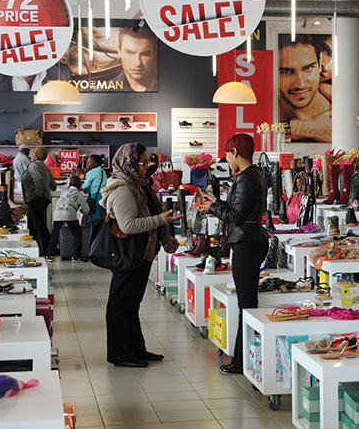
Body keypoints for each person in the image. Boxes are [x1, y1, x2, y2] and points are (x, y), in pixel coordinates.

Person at [100, 143, 181, 368]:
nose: (146, 166)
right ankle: (121, 354)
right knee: (120, 306)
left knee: (131, 304)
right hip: (129, 255)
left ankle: (136, 349)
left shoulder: (138, 185)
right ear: (129, 163)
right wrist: (161, 220)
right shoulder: (124, 189)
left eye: (147, 162)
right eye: (142, 162)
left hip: (140, 253)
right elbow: (128, 225)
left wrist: (164, 237)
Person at [198, 134, 268, 375]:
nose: (227, 160)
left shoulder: (247, 178)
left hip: (247, 242)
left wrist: (212, 208)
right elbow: (239, 209)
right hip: (249, 240)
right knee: (246, 302)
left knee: (246, 303)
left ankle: (242, 361)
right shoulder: (251, 175)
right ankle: (245, 358)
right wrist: (217, 201)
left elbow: (236, 216)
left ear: (235, 152)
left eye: (227, 155)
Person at [278, 34, 332, 143]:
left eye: (308, 68)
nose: (300, 84)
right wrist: (311, 128)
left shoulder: (339, 104)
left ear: (320, 65)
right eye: (286, 72)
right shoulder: (269, 111)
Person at [21, 147, 57, 255]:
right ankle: (35, 250)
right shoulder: (45, 167)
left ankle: (49, 250)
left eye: (33, 154)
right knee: (33, 225)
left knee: (39, 225)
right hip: (44, 198)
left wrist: (37, 196)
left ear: (37, 156)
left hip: (35, 199)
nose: (31, 156)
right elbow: (53, 186)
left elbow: (37, 180)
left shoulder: (33, 165)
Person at [46, 176, 89, 262]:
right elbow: (86, 210)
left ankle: (49, 255)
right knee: (77, 234)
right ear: (79, 185)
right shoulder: (78, 194)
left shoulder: (64, 192)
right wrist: (82, 210)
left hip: (58, 214)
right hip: (69, 214)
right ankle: (76, 256)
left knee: (55, 234)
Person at [110, 27, 158, 92]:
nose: (138, 63)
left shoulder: (167, 87)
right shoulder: (103, 91)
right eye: (130, 53)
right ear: (119, 51)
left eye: (145, 54)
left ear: (154, 53)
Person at [81, 154, 107, 224]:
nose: (87, 164)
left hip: (95, 197)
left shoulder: (91, 172)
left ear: (95, 164)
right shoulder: (103, 172)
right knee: (101, 218)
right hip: (104, 196)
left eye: (89, 162)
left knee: (92, 219)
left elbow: (85, 186)